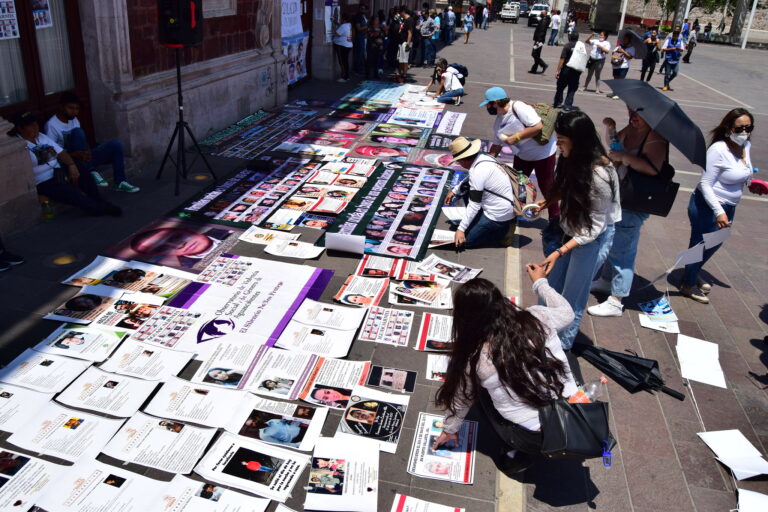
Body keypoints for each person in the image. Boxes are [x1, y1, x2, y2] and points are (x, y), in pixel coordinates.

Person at [432, 271, 577, 474]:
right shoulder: (537, 317)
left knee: (480, 394)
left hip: (532, 437)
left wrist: (449, 430)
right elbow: (567, 313)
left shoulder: (474, 356)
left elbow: (461, 397)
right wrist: (540, 283)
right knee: (563, 358)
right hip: (574, 415)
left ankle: (512, 452)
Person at [537, 111, 620, 350]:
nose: (558, 145)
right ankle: (541, 331)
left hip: (590, 239)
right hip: (570, 230)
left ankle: (561, 346)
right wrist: (546, 201)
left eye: (562, 141)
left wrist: (558, 252)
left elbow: (593, 230)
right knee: (549, 285)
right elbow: (567, 187)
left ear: (579, 141)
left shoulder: (601, 175)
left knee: (573, 295)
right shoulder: (570, 158)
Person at [588, 109, 669, 317]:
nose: (634, 115)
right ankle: (606, 281)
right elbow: (615, 146)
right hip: (621, 195)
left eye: (639, 112)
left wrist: (625, 156)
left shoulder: (656, 136)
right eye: (631, 109)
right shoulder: (632, 129)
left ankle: (617, 300)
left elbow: (654, 169)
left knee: (623, 249)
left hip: (636, 200)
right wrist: (611, 129)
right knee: (613, 241)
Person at [680, 109, 758, 303]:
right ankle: (688, 284)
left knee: (714, 243)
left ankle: (692, 271)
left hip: (729, 206)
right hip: (708, 205)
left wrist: (753, 184)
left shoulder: (746, 145)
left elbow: (744, 172)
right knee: (700, 245)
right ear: (728, 128)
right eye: (740, 128)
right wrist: (719, 211)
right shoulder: (718, 149)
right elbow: (706, 183)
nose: (745, 132)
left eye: (749, 127)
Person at [10, 110, 121, 216]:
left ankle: (99, 200)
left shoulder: (42, 137)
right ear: (20, 128)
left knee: (81, 168)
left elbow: (61, 153)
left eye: (35, 123)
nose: (35, 126)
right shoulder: (18, 146)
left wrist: (71, 165)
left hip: (58, 171)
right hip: (43, 181)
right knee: (71, 194)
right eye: (30, 125)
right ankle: (99, 209)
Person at [481, 87, 559, 222]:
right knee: (519, 185)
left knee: (546, 186)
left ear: (496, 102)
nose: (487, 107)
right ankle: (518, 210)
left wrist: (514, 138)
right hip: (523, 157)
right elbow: (497, 145)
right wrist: (485, 162)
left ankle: (554, 219)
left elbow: (537, 126)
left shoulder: (518, 107)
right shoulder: (499, 120)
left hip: (543, 155)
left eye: (488, 104)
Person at [45, 92, 139, 193]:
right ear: (61, 107)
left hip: (83, 158)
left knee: (116, 145)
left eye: (77, 109)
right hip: (70, 162)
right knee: (78, 132)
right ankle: (91, 171)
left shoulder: (74, 120)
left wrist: (88, 151)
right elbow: (54, 155)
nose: (74, 112)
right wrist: (75, 155)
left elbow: (82, 141)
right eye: (71, 108)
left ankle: (120, 182)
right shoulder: (51, 125)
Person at [442, 136, 515, 249]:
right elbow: (470, 177)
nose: (459, 163)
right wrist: (455, 190)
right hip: (503, 204)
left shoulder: (478, 172)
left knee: (465, 242)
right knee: (465, 188)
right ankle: (483, 223)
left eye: (458, 161)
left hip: (497, 215)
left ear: (463, 159)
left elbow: (475, 205)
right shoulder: (483, 158)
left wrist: (461, 229)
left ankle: (503, 232)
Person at [553, 32, 586, 111]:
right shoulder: (581, 46)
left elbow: (562, 59)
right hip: (576, 71)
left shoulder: (567, 46)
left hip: (566, 70)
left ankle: (558, 103)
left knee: (560, 87)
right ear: (577, 38)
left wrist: (558, 70)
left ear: (569, 37)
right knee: (572, 88)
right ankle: (568, 105)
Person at [608, 34, 635, 99]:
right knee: (615, 79)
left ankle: (619, 94)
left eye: (626, 39)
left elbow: (630, 57)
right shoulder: (619, 46)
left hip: (624, 66)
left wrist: (623, 51)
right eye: (624, 39)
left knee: (621, 80)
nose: (624, 40)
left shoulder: (632, 48)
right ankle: (614, 92)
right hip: (616, 65)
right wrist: (617, 51)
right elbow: (613, 53)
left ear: (629, 40)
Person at [333, 13, 353, 82]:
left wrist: (333, 28)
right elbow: (342, 28)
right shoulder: (349, 25)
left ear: (344, 19)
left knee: (342, 62)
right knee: (345, 61)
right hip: (348, 45)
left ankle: (344, 77)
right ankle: (346, 76)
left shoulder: (344, 26)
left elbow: (337, 33)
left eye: (341, 18)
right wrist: (337, 24)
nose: (340, 19)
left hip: (342, 45)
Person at [396, 8, 414, 83]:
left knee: (405, 60)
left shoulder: (409, 20)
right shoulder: (404, 20)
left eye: (400, 13)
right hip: (401, 42)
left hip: (405, 42)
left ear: (403, 12)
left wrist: (408, 43)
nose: (400, 15)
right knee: (400, 59)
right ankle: (400, 74)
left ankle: (404, 75)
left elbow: (410, 32)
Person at [352, 4, 369, 75]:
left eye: (364, 9)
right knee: (358, 54)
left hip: (364, 37)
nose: (363, 10)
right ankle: (357, 70)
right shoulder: (358, 17)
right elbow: (358, 28)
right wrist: (367, 26)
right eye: (361, 8)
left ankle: (361, 69)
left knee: (362, 54)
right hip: (359, 37)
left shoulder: (364, 17)